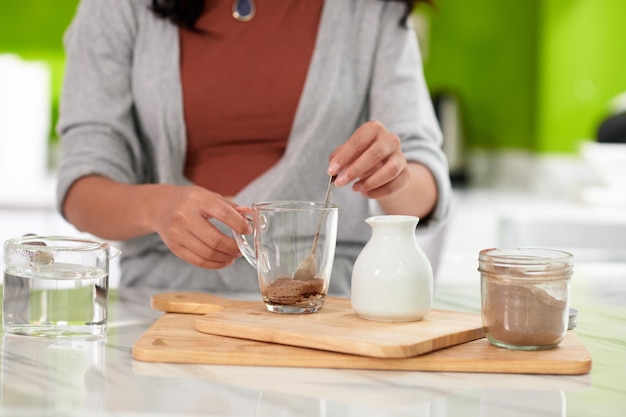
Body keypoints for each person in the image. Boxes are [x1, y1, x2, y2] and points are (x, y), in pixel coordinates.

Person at [56, 0, 451, 295]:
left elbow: (423, 183)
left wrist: (394, 177)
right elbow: (81, 186)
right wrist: (157, 207)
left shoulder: (370, 11)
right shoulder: (117, 9)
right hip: (163, 307)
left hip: (329, 308)